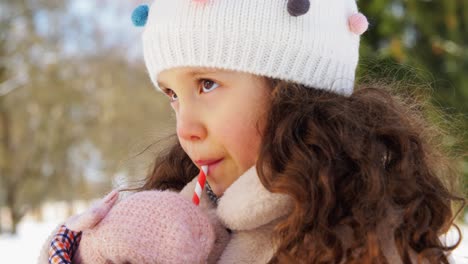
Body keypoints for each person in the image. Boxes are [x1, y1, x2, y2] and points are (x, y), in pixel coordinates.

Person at [38, 0, 465, 263]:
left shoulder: (363, 240)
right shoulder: (186, 210)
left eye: (207, 84)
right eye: (172, 94)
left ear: (295, 93)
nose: (185, 128)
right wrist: (92, 253)